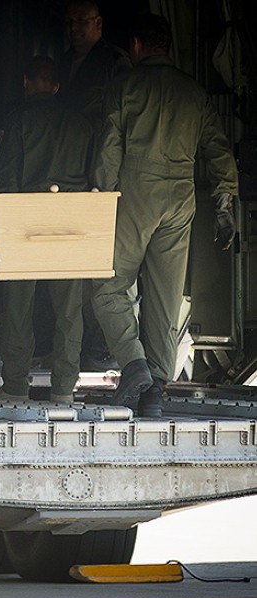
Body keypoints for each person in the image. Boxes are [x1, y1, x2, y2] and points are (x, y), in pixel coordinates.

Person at [91, 13, 238, 416]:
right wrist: (225, 199)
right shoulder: (193, 93)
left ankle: (134, 365)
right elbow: (218, 149)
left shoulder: (125, 86)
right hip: (182, 195)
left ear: (137, 46)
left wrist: (101, 196)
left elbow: (108, 147)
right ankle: (154, 391)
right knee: (164, 298)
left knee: (107, 284)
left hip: (136, 193)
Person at [0, 56, 93, 403]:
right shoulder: (82, 124)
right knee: (69, 310)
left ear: (25, 83)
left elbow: (5, 178)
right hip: (72, 221)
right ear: (56, 86)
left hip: (26, 221)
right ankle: (65, 388)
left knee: (18, 308)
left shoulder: (18, 122)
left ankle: (16, 385)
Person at [58, 0, 132, 372]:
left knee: (104, 263)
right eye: (70, 22)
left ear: (99, 24)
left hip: (101, 169)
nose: (75, 28)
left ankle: (101, 344)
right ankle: (81, 341)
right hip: (71, 167)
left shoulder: (114, 62)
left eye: (82, 21)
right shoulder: (63, 61)